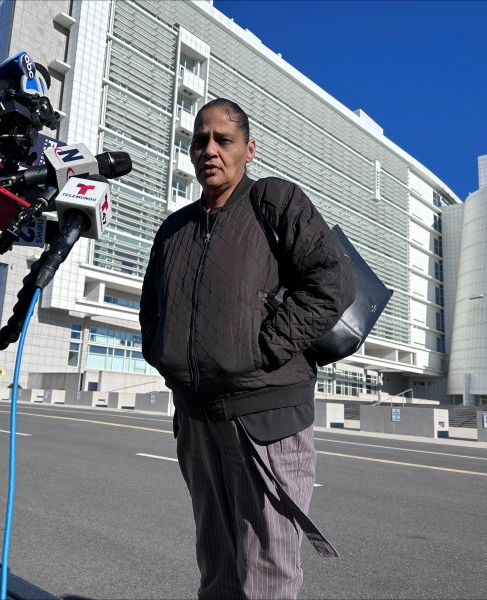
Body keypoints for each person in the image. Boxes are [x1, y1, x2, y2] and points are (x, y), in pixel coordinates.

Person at [140, 98, 355, 599]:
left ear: (248, 150)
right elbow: (153, 306)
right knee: (215, 560)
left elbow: (331, 281)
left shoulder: (274, 202)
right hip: (196, 417)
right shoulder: (174, 229)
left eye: (223, 140)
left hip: (267, 418)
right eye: (200, 140)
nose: (209, 150)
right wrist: (162, 354)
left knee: (267, 567)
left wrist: (262, 348)